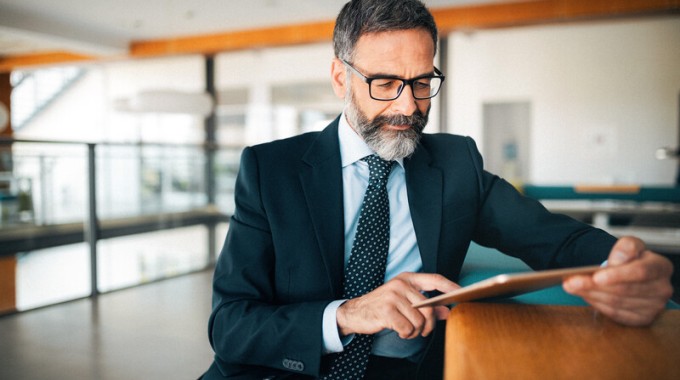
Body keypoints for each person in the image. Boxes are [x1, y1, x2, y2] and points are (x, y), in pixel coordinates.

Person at [202, 1, 674, 379]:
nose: (408, 106)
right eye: (385, 82)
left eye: (422, 82)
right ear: (341, 77)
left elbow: (555, 238)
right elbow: (230, 326)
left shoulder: (456, 164)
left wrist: (626, 265)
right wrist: (346, 315)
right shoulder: (271, 170)